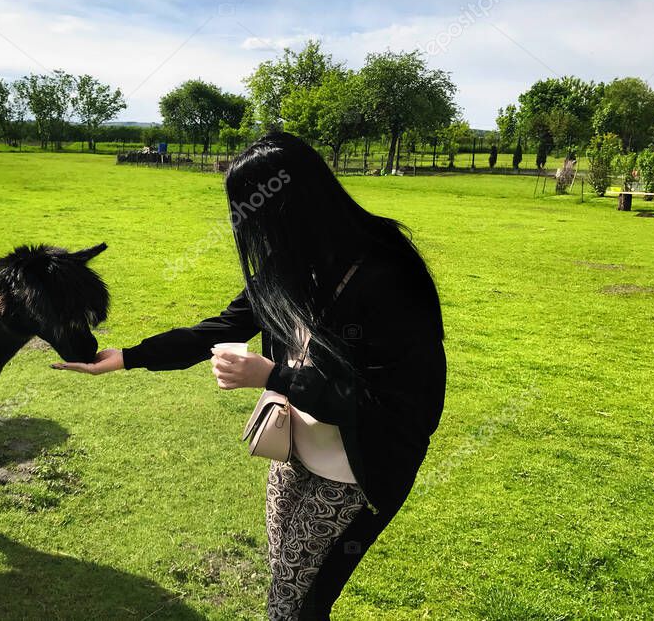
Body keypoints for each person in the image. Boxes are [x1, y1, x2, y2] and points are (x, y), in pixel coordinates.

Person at [55, 132, 446, 620]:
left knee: (299, 604)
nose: (248, 228)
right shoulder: (290, 267)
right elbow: (218, 328)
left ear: (290, 208)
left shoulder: (387, 276)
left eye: (254, 213)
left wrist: (272, 374)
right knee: (284, 582)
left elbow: (386, 403)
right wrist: (127, 357)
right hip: (292, 452)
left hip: (358, 473)